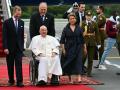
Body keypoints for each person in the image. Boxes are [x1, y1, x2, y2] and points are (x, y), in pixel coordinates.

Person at [60, 13, 87, 84]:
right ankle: (70, 79)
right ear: (68, 20)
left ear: (75, 19)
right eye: (71, 19)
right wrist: (63, 49)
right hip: (69, 47)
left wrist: (84, 48)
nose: (72, 20)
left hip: (78, 47)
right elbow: (62, 40)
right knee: (70, 63)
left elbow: (82, 39)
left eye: (73, 18)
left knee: (78, 61)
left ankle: (79, 77)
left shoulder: (79, 28)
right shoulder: (65, 29)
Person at [2, 6, 24, 87]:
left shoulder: (22, 22)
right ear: (14, 12)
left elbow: (21, 36)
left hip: (18, 48)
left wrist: (22, 46)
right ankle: (11, 80)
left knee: (19, 64)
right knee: (10, 65)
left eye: (20, 14)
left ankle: (20, 81)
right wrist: (5, 47)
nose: (18, 15)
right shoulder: (7, 22)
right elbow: (4, 36)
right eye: (17, 14)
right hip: (9, 48)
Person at [81, 10, 101, 76]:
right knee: (83, 57)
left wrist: (98, 43)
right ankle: (81, 70)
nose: (88, 17)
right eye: (87, 16)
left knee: (90, 59)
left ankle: (89, 73)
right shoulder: (82, 23)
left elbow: (97, 34)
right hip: (84, 42)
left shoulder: (94, 23)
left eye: (90, 16)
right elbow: (80, 33)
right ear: (85, 16)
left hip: (92, 43)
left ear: (91, 16)